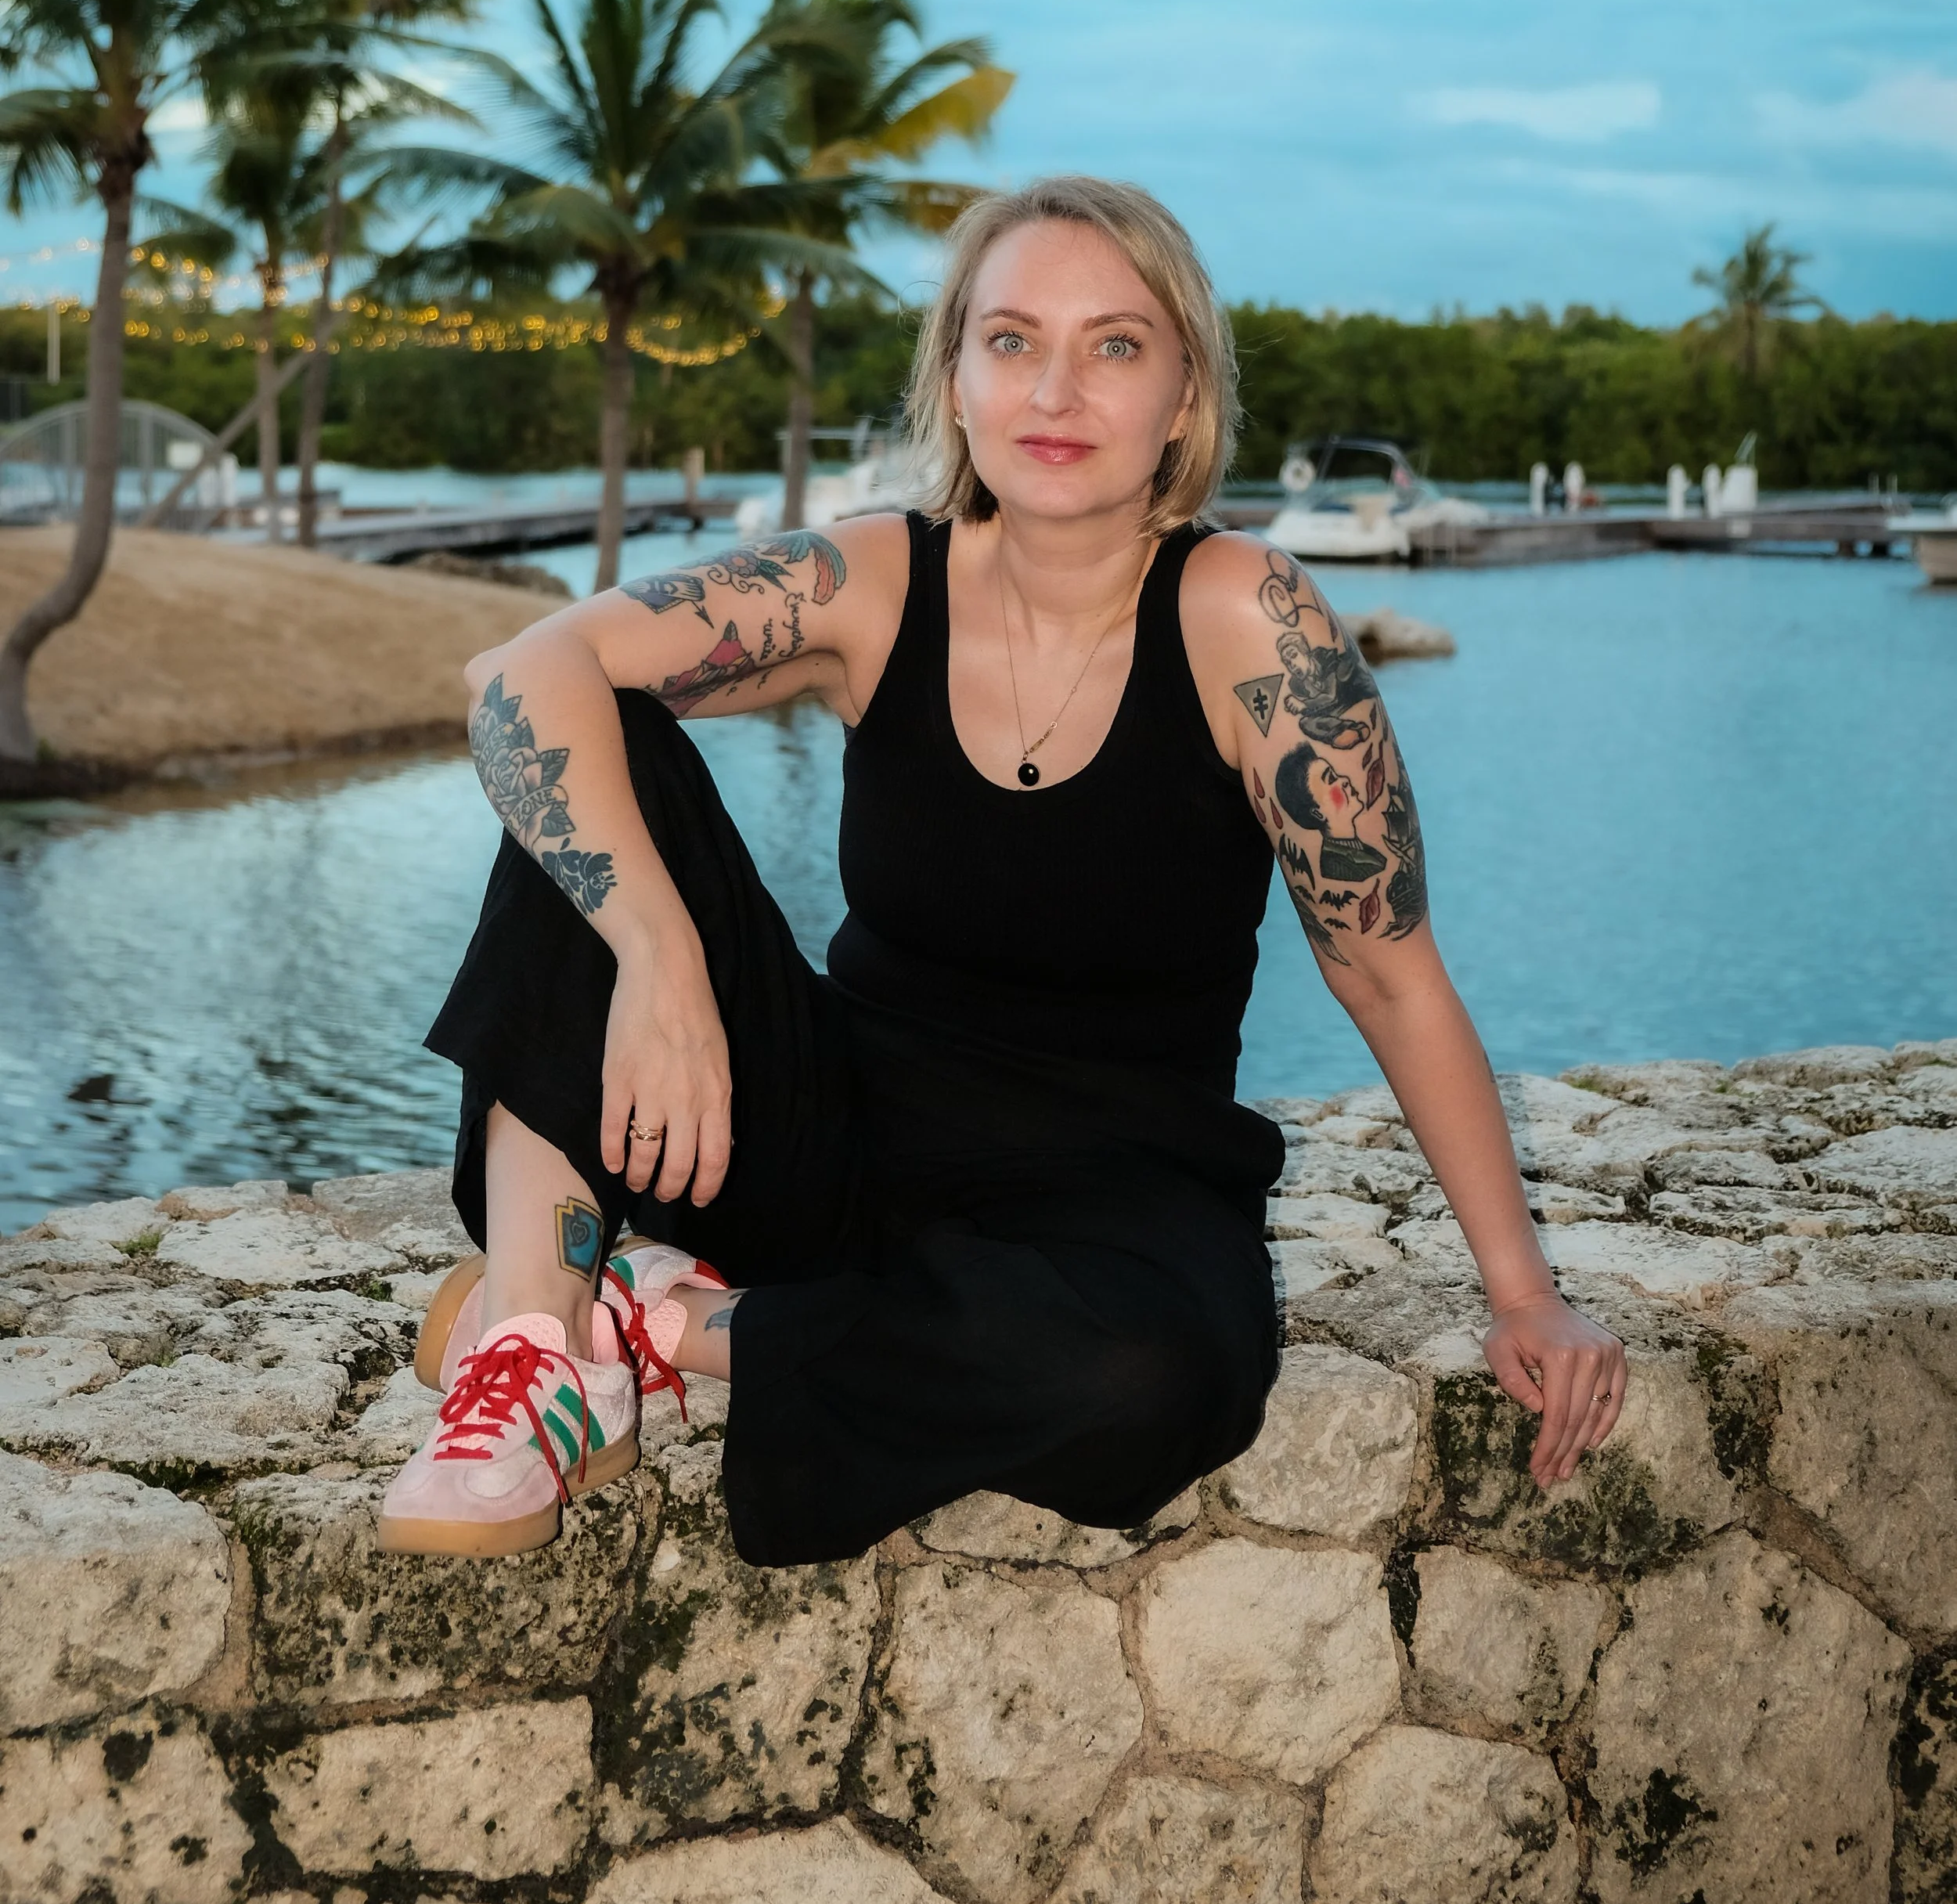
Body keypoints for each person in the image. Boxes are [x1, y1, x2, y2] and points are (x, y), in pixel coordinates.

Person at [380, 176, 1626, 1565]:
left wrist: (1524, 1292)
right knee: (588, 752)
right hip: (826, 1143)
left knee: (1155, 1384)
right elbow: (518, 673)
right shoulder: (873, 583)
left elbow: (1390, 977)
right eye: (1014, 340)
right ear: (957, 379)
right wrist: (661, 956)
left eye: (1115, 345)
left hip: (1114, 1193)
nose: (1056, 391)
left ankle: (658, 1319)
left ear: (1184, 396)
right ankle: (539, 1345)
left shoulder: (1249, 619)